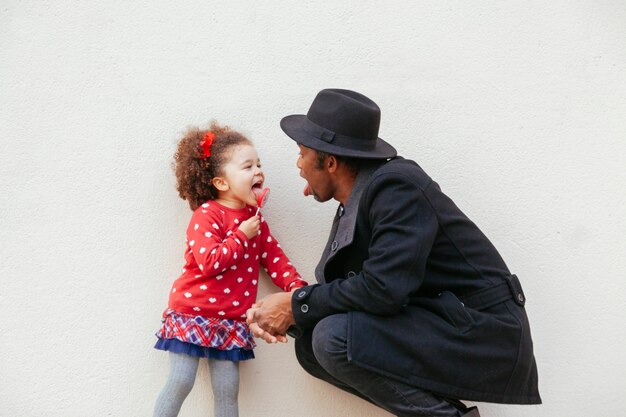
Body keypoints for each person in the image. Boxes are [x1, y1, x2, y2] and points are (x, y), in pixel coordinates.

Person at [246, 89, 541, 417]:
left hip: (482, 331)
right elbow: (350, 297)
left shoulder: (397, 188)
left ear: (329, 162)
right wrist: (286, 316)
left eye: (301, 154)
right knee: (313, 344)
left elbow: (383, 290)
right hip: (440, 323)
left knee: (333, 337)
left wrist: (295, 304)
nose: (298, 165)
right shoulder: (357, 202)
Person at [153, 122, 307, 417]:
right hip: (192, 314)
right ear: (222, 183)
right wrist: (241, 235)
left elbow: (274, 258)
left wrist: (297, 288)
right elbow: (209, 261)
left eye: (259, 164)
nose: (258, 171)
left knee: (227, 389)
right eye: (248, 166)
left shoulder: (254, 220)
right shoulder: (207, 215)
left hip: (231, 321)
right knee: (180, 382)